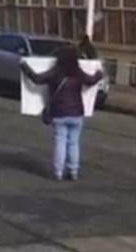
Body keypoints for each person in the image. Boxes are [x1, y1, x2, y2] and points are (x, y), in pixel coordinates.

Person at [21, 46, 104, 181]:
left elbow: (37, 79)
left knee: (60, 141)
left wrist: (24, 66)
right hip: (76, 113)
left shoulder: (55, 72)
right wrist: (99, 74)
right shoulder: (77, 72)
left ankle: (58, 172)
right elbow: (91, 80)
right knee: (74, 142)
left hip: (59, 113)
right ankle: (73, 170)